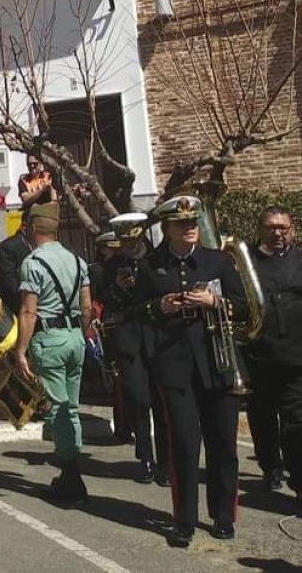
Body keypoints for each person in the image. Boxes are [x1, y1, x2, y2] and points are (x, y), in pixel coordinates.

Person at [133, 195, 247, 548]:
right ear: (167, 229)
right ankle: (184, 519)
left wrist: (216, 303)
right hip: (175, 367)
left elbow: (243, 307)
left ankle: (223, 515)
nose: (191, 228)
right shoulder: (151, 266)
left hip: (218, 363)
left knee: (223, 444)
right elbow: (137, 312)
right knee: (183, 444)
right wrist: (160, 305)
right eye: (183, 224)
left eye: (193, 222)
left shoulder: (219, 261)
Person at [10, 202, 92, 506]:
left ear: (33, 228)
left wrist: (21, 350)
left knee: (58, 409)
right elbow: (86, 306)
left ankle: (71, 478)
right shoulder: (77, 259)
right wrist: (82, 335)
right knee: (71, 407)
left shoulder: (33, 263)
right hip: (74, 336)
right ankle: (72, 473)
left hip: (50, 338)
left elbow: (29, 311)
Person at [94, 216, 168, 486]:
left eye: (133, 240)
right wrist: (117, 287)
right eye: (124, 241)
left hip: (159, 338)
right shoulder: (110, 267)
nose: (129, 245)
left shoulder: (159, 260)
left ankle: (164, 461)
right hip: (129, 340)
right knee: (140, 398)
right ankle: (146, 457)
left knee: (162, 402)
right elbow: (106, 303)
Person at [245, 206, 302, 502]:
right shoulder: (246, 262)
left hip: (297, 357)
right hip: (260, 356)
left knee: (296, 422)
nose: (277, 233)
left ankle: (299, 478)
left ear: (292, 229)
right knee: (263, 417)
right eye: (271, 227)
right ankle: (271, 467)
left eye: (283, 227)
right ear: (261, 229)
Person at [0, 213, 34, 317]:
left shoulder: (42, 246)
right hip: (15, 311)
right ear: (25, 226)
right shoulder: (8, 247)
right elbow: (9, 284)